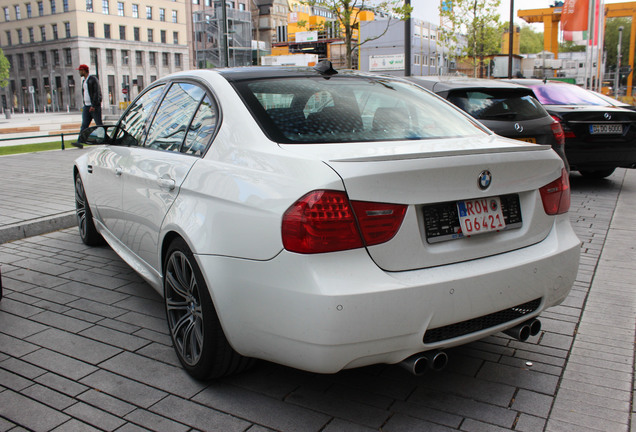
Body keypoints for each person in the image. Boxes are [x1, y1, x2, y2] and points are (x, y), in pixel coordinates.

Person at [73, 64, 103, 148]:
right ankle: (80, 141)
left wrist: (94, 105)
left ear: (84, 71)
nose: (79, 72)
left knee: (99, 124)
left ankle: (102, 140)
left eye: (80, 70)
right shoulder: (84, 81)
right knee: (84, 125)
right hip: (86, 106)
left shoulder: (93, 79)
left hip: (94, 106)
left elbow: (96, 92)